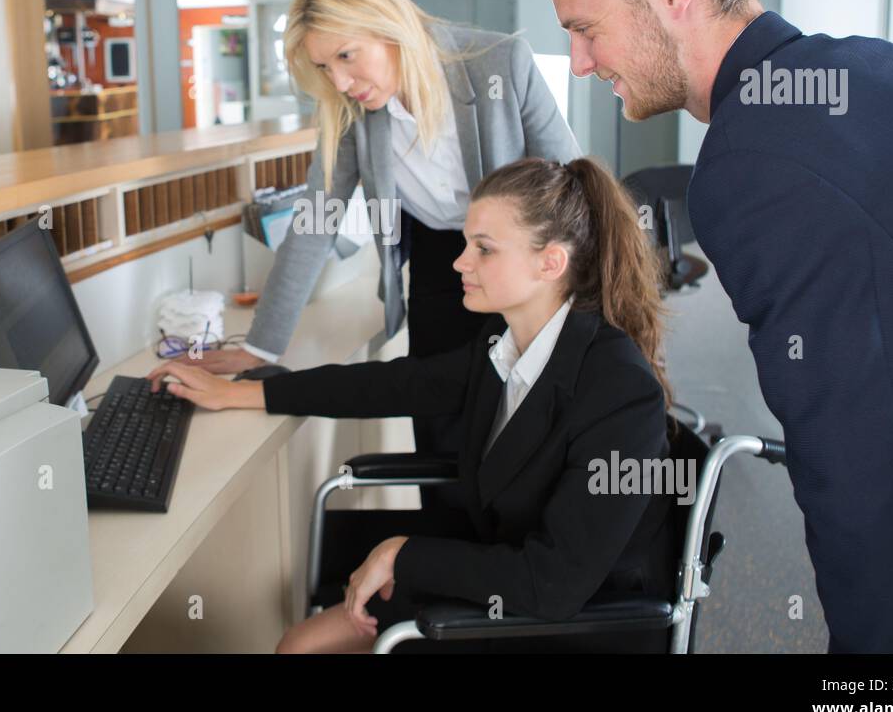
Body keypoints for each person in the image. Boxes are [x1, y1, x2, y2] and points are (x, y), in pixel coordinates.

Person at [520, 0, 893, 652]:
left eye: (585, 27)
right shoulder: (884, 72)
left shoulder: (752, 166)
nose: (581, 60)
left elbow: (856, 476)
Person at [149, 156, 677, 653]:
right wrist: (243, 392)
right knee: (299, 640)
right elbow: (392, 385)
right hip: (502, 568)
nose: (459, 261)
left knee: (299, 646)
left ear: (550, 263)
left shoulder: (617, 391)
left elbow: (555, 585)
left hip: (571, 622)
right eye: (466, 243)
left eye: (484, 249)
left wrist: (404, 554)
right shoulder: (505, 343)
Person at [180, 0, 580, 509]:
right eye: (324, 65)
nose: (340, 81)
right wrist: (259, 346)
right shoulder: (351, 112)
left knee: (521, 420)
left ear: (390, 25)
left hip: (519, 258)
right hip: (442, 258)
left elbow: (572, 186)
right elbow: (315, 223)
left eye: (347, 55)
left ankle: (514, 559)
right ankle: (445, 552)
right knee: (439, 419)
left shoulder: (498, 62)